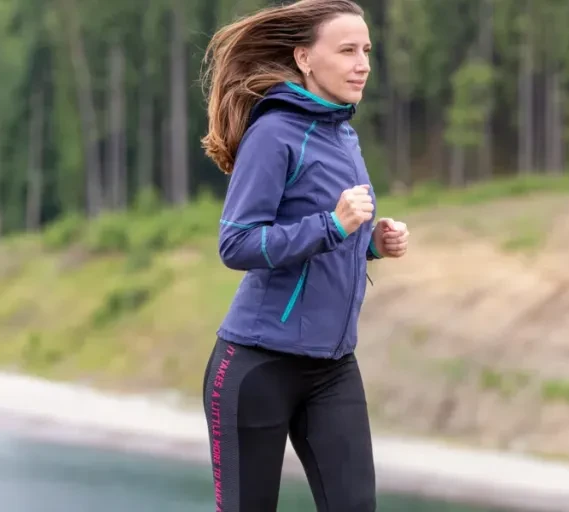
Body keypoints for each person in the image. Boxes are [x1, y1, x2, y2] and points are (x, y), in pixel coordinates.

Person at [198, 1, 408, 510]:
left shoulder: (344, 134)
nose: (363, 64)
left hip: (333, 366)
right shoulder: (272, 134)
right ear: (305, 59)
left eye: (366, 51)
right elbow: (237, 243)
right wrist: (333, 225)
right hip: (257, 364)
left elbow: (327, 241)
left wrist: (370, 244)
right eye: (347, 50)